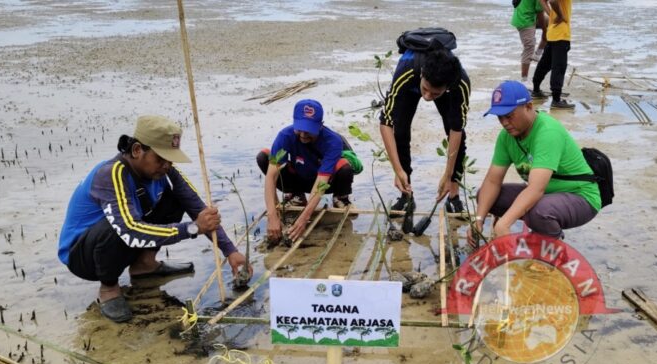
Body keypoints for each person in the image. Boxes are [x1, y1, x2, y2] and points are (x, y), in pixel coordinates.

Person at [58, 116, 250, 323]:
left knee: (176, 199)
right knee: (117, 225)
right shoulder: (112, 174)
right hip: (84, 256)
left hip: (122, 241)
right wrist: (193, 228)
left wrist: (230, 250)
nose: (166, 165)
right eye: (160, 159)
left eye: (170, 159)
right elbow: (130, 231)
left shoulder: (167, 173)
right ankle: (109, 288)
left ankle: (145, 265)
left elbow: (199, 209)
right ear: (138, 150)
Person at [467, 80, 600, 248]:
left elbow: (536, 189)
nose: (505, 122)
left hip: (580, 197)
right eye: (500, 117)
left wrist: (505, 224)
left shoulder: (547, 132)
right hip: (546, 195)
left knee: (539, 212)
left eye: (509, 115)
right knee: (484, 198)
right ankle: (539, 233)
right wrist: (478, 219)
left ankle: (552, 244)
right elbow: (493, 181)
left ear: (528, 107)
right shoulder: (506, 137)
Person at [379, 44, 471, 215]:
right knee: (400, 130)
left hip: (440, 86)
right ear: (422, 76)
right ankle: (406, 194)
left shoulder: (460, 84)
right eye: (426, 90)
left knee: (455, 130)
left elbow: (456, 130)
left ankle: (454, 195)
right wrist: (398, 170)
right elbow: (386, 122)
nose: (427, 97)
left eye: (434, 94)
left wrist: (448, 175)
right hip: (411, 83)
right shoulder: (406, 72)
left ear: (447, 87)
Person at [257, 99, 358, 244]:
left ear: (320, 125)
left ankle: (340, 198)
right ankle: (296, 195)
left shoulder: (332, 141)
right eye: (300, 129)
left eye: (309, 130)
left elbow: (321, 183)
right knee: (263, 157)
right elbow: (271, 177)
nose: (303, 135)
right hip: (299, 176)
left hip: (323, 181)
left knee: (344, 167)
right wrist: (273, 215)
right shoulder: (285, 136)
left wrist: (304, 218)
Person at [531, 0, 575, 109]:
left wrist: (551, 14)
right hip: (561, 33)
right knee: (559, 67)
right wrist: (560, 15)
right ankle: (556, 100)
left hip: (552, 32)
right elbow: (553, 1)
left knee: (545, 64)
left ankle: (536, 90)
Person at [511, 0, 550, 82]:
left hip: (528, 15)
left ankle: (537, 54)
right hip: (524, 20)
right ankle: (524, 80)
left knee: (552, 23)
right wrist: (544, 31)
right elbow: (540, 14)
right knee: (529, 47)